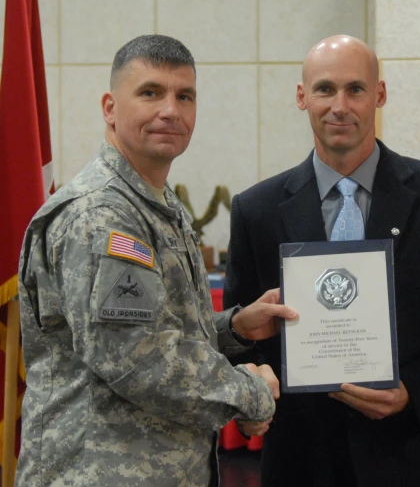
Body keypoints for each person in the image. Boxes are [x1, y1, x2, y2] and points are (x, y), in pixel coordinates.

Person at [16, 35, 296, 487]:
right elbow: (140, 361)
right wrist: (251, 393)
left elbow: (155, 330)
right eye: (150, 93)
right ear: (110, 107)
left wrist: (235, 329)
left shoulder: (155, 204)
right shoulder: (101, 216)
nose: (171, 110)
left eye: (184, 96)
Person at [223, 35, 420, 487]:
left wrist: (414, 389)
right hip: (303, 459)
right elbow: (242, 337)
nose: (340, 106)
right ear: (301, 97)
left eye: (355, 89)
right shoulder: (256, 210)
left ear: (380, 95)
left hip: (414, 453)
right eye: (325, 89)